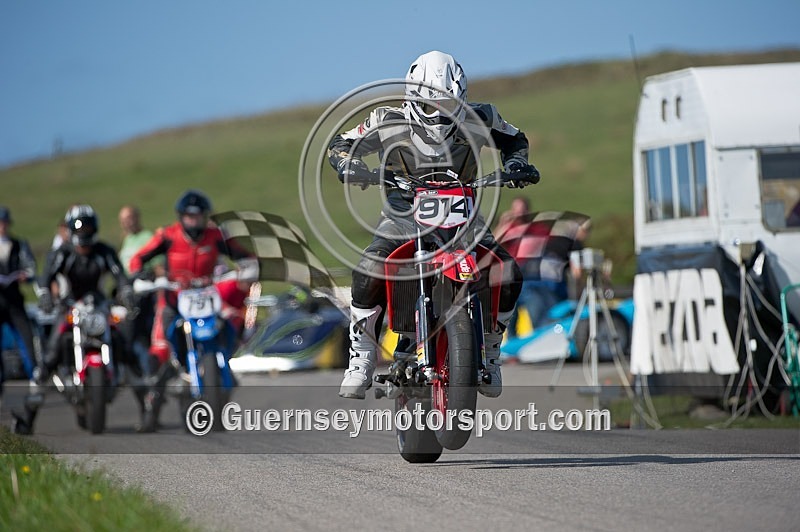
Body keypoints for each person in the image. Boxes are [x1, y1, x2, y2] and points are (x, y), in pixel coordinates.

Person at [328, 50, 539, 399]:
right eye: (431, 107)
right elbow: (341, 143)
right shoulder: (385, 119)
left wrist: (516, 164)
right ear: (412, 98)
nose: (440, 116)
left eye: (449, 106)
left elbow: (515, 139)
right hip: (402, 215)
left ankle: (490, 349)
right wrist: (348, 165)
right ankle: (362, 356)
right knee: (367, 269)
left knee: (510, 272)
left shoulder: (483, 116)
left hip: (464, 214)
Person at [128, 189, 251, 431]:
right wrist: (141, 274)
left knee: (227, 328)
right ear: (181, 217)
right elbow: (138, 258)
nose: (194, 222)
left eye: (198, 217)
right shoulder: (167, 236)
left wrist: (249, 268)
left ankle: (221, 378)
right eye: (189, 217)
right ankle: (151, 410)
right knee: (161, 351)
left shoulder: (216, 236)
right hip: (174, 300)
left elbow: (244, 255)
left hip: (206, 298)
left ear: (206, 217)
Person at [37, 205, 137, 422]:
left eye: (88, 229)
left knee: (125, 345)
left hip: (99, 307)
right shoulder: (62, 253)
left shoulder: (104, 251)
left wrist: (126, 291)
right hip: (70, 307)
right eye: (80, 229)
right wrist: (45, 293)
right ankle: (30, 407)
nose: (84, 235)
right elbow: (46, 276)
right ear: (72, 231)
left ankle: (147, 400)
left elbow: (120, 275)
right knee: (52, 351)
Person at [498, 209, 591, 334]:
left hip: (523, 279)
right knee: (548, 323)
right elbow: (577, 272)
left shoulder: (552, 239)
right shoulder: (575, 244)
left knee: (513, 321)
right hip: (546, 285)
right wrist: (581, 294)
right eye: (586, 230)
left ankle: (511, 348)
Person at [0, 206, 45, 434]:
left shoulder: (19, 245)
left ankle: (35, 379)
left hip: (15, 304)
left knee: (27, 345)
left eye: (4, 222)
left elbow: (30, 268)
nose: (2, 226)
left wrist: (23, 275)